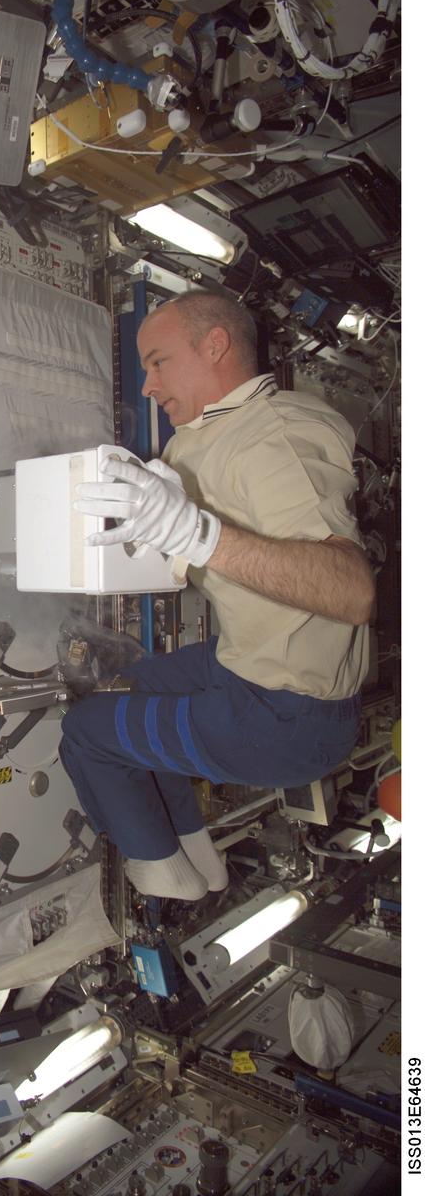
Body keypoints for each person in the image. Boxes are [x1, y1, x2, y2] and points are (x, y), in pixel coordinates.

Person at [60, 291, 375, 900]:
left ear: (215, 346)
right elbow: (180, 549)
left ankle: (157, 864)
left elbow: (351, 589)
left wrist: (196, 533)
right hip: (247, 666)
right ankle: (194, 852)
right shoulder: (202, 439)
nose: (148, 386)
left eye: (158, 362)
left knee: (85, 730)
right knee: (126, 687)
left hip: (288, 718)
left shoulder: (275, 436)